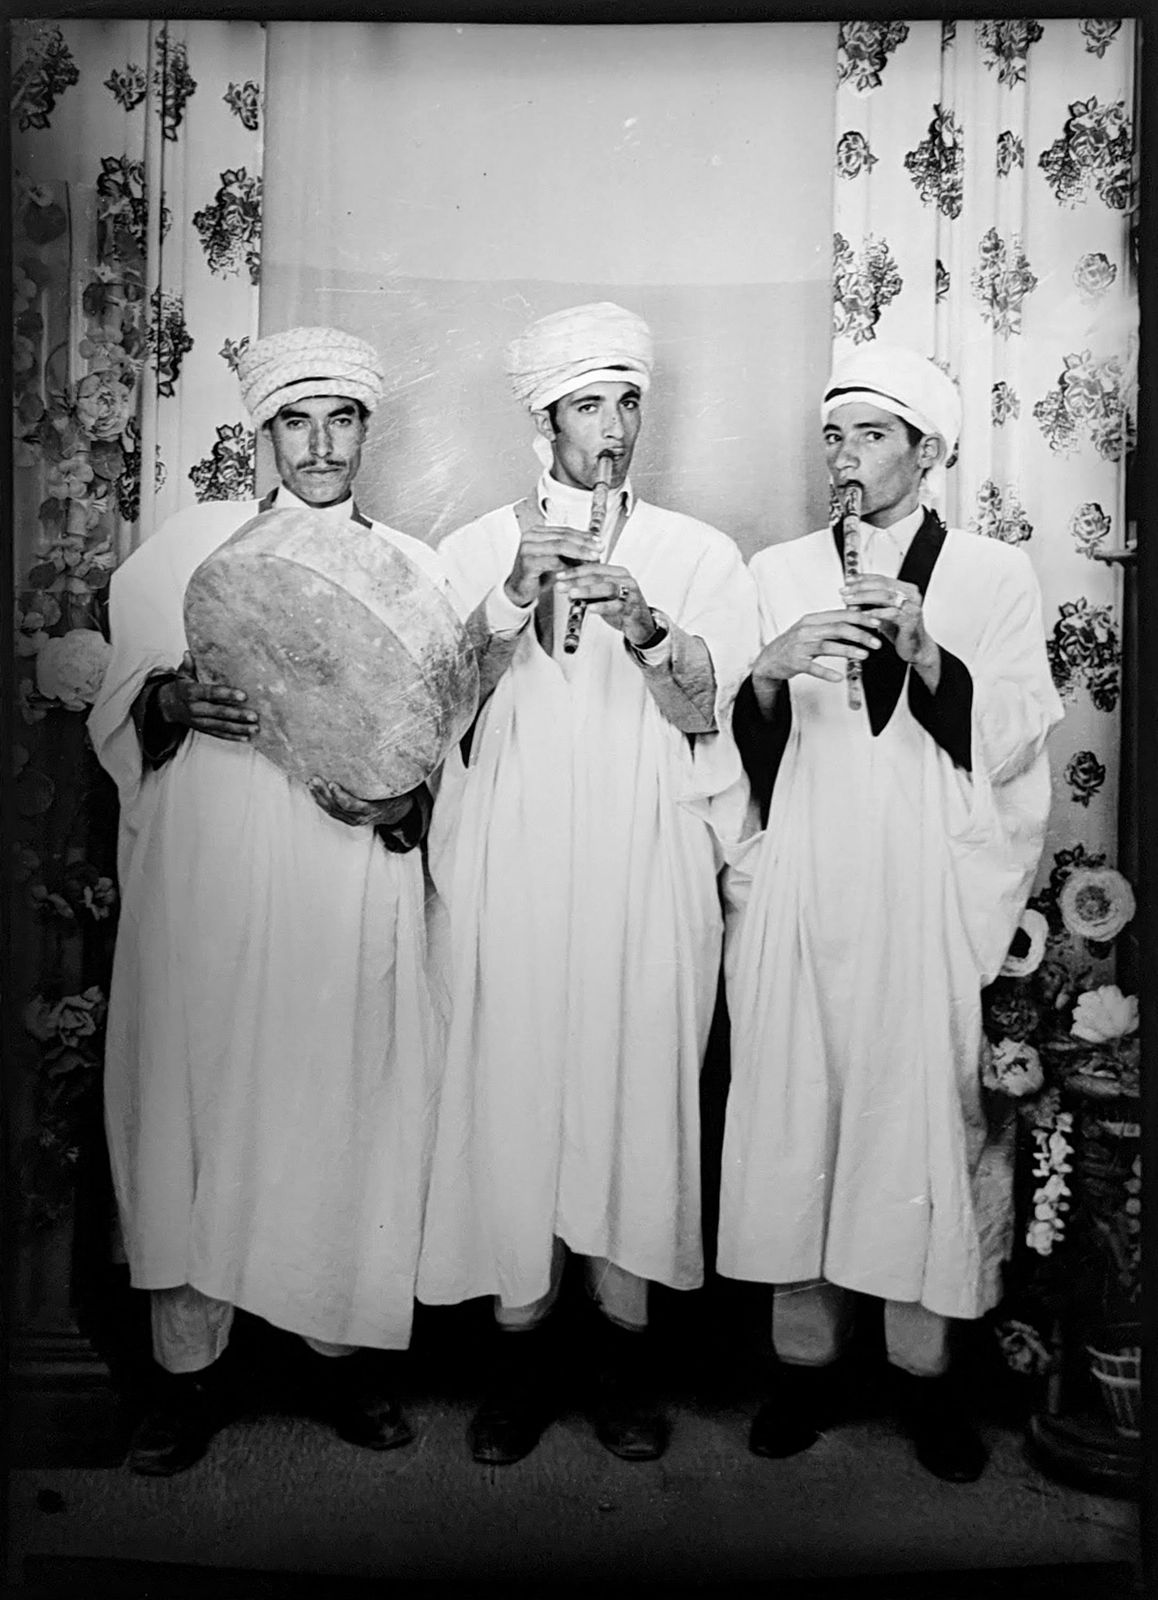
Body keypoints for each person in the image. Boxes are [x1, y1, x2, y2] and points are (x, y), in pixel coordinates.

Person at [89, 326, 449, 1475]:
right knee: (200, 1096)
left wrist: (398, 805)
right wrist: (171, 700)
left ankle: (340, 1360)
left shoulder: (414, 572)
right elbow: (121, 710)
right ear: (264, 432)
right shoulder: (187, 553)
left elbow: (436, 748)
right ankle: (187, 1377)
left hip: (341, 877)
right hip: (214, 868)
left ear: (367, 431)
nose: (321, 445)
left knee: (339, 1090)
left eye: (341, 420)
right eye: (298, 421)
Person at [416, 301, 758, 1465]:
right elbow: (427, 713)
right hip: (512, 856)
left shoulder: (699, 554)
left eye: (626, 403)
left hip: (642, 858)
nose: (612, 428)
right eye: (587, 405)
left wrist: (652, 631)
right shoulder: (471, 548)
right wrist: (508, 602)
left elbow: (713, 716)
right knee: (516, 1089)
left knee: (631, 1088)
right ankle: (517, 1368)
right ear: (544, 419)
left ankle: (621, 1369)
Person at [717, 343, 1063, 1482]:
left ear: (929, 452)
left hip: (919, 890)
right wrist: (771, 670)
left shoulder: (994, 575)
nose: (846, 457)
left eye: (871, 436)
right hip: (807, 881)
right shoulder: (776, 569)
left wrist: (925, 650)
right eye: (835, 436)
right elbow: (737, 752)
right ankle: (803, 1370)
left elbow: (1011, 741)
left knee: (915, 1123)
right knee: (798, 1115)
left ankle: (926, 1381)